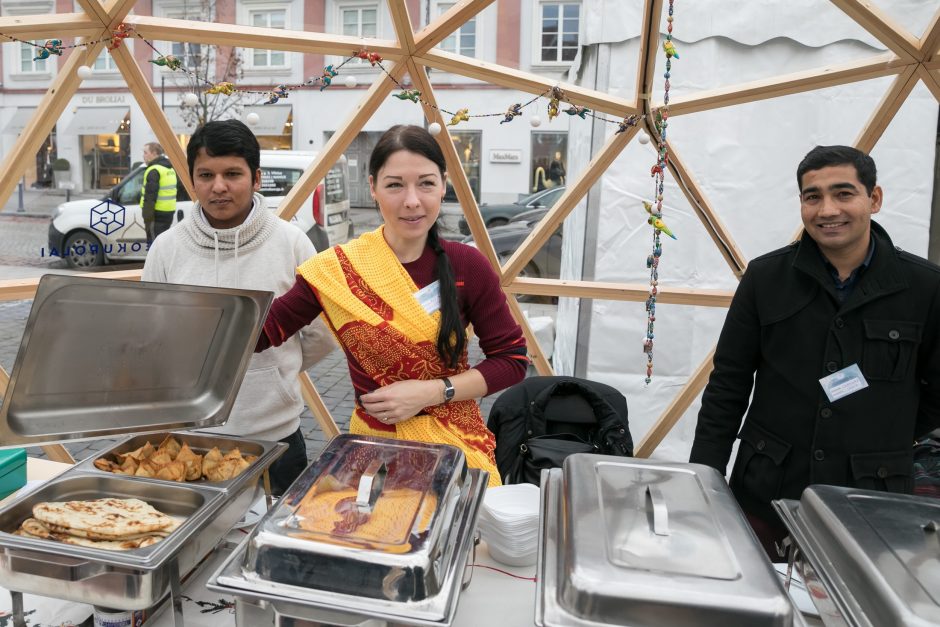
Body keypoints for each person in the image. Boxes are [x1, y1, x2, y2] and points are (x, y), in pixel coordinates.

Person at [690, 145, 940, 559]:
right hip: (766, 492)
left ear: (873, 199)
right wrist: (703, 480)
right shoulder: (766, 278)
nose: (827, 210)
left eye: (844, 194)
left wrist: (886, 430)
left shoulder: (925, 288)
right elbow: (727, 387)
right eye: (813, 196)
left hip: (869, 498)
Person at [257, 124, 529, 486]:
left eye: (426, 183)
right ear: (373, 188)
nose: (412, 200)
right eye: (395, 184)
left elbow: (512, 360)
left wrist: (434, 391)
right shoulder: (336, 271)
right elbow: (263, 331)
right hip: (372, 455)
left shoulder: (468, 266)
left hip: (453, 450)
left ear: (444, 185)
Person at [142, 120, 336, 495]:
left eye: (232, 173)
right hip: (188, 442)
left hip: (275, 439)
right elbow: (153, 335)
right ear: (192, 179)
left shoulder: (291, 243)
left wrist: (275, 370)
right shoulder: (167, 248)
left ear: (257, 178)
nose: (218, 186)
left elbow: (321, 333)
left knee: (275, 549)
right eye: (206, 175)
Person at [140, 142, 177, 244]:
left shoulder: (154, 170)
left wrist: (147, 217)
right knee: (163, 244)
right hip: (168, 212)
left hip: (156, 214)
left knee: (154, 245)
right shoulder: (169, 168)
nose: (143, 155)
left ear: (154, 153)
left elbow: (150, 196)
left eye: (145, 152)